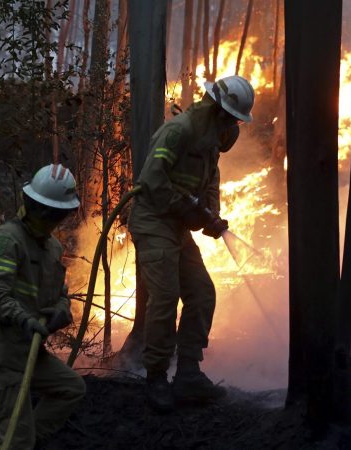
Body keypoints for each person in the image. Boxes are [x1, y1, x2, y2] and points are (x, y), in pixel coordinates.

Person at [128, 75, 254, 412]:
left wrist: (211, 214)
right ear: (217, 110)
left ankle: (188, 374)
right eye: (231, 118)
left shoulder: (211, 141)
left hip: (178, 226)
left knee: (202, 292)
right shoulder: (179, 131)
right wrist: (189, 209)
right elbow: (152, 180)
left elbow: (210, 181)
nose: (233, 127)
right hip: (153, 220)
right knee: (166, 296)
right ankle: (156, 376)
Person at [0, 164, 86, 449]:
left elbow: (59, 293)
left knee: (71, 389)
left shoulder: (53, 248)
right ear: (30, 203)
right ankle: (20, 442)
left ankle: (26, 440)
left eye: (54, 213)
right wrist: (24, 320)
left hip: (27, 349)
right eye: (42, 209)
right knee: (16, 439)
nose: (47, 218)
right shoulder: (6, 240)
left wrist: (61, 310)